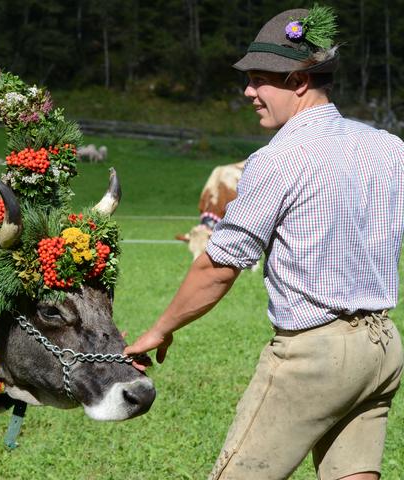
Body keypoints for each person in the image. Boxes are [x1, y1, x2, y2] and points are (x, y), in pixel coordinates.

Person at [124, 6, 404, 480]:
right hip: (382, 348)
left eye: (259, 79)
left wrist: (159, 328)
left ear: (298, 80)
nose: (248, 92)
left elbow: (218, 267)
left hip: (314, 356)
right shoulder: (388, 148)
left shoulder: (277, 160)